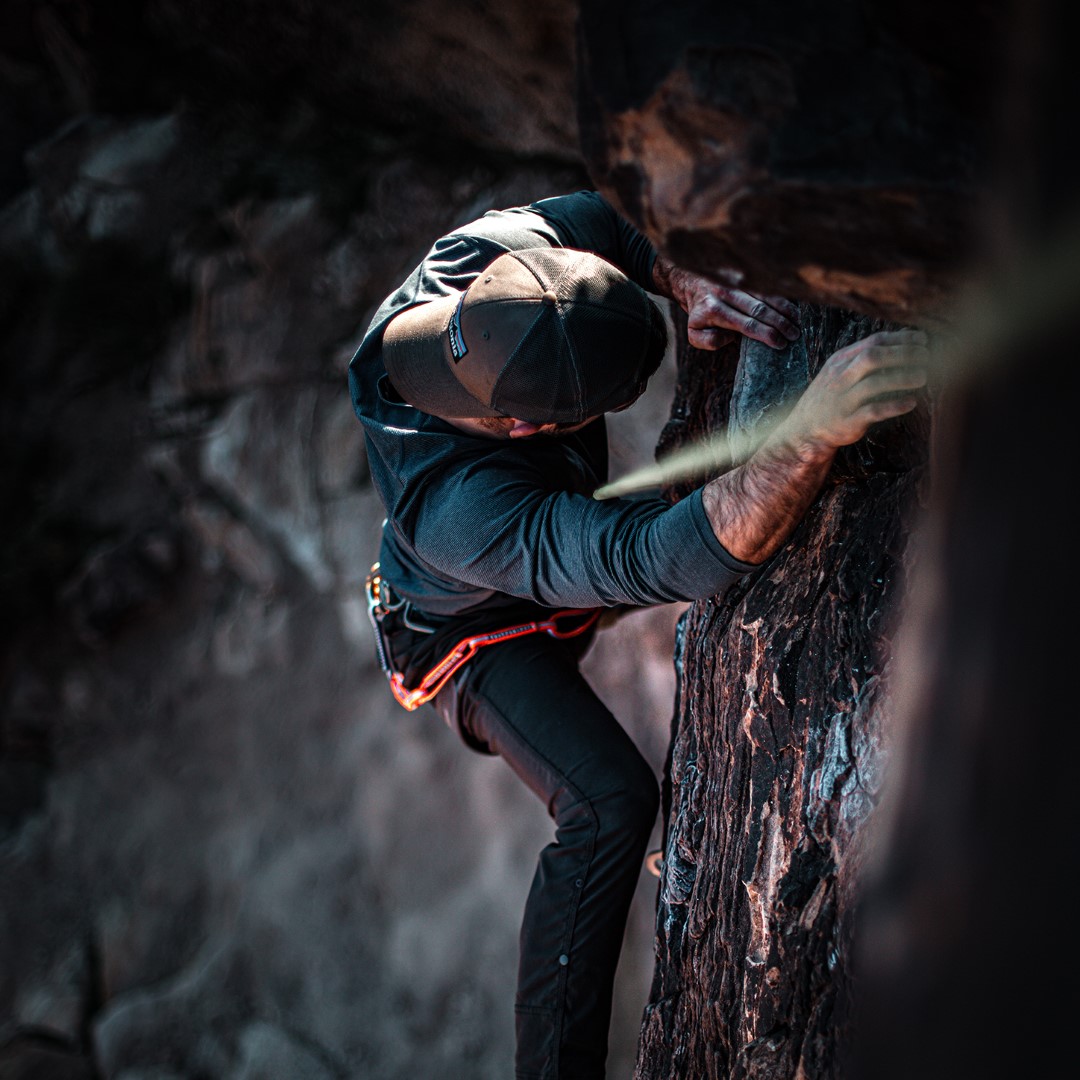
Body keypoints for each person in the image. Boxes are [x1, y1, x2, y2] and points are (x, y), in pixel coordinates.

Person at [346, 189, 928, 1079]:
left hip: (535, 544)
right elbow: (663, 560)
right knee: (607, 802)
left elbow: (603, 217)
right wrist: (809, 436)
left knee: (668, 505)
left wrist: (680, 275)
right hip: (473, 639)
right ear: (530, 427)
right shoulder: (460, 512)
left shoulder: (483, 259)